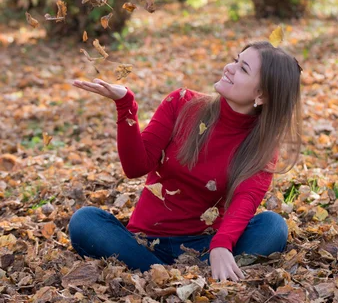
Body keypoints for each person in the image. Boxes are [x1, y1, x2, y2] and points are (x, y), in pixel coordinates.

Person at [69, 40, 302, 281]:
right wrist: (125, 105)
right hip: (142, 242)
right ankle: (171, 275)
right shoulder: (181, 103)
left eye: (243, 68)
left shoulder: (261, 145)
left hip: (203, 246)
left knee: (273, 226)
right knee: (84, 221)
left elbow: (246, 200)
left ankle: (173, 273)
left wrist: (220, 245)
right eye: (235, 60)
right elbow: (135, 166)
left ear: (262, 95)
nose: (229, 68)